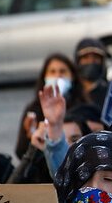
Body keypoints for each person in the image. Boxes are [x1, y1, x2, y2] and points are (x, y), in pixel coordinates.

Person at [14, 54, 87, 184]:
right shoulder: (34, 109)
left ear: (73, 76)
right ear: (44, 77)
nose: (58, 76)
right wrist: (32, 140)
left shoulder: (83, 106)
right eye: (52, 72)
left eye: (63, 71)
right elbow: (20, 152)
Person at [74, 38, 110, 109]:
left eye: (96, 57)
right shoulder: (72, 92)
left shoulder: (110, 94)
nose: (91, 61)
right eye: (85, 57)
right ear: (78, 61)